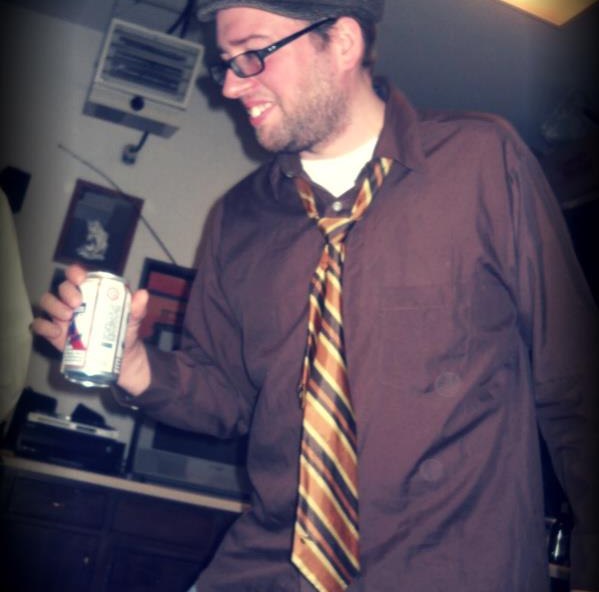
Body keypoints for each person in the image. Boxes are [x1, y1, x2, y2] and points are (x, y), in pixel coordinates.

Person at [32, 1, 598, 591]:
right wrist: (135, 366)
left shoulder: (482, 161)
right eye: (226, 63)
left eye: (253, 54)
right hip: (267, 570)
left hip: (450, 572)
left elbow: (576, 385)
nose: (230, 85)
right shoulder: (235, 220)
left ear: (343, 42)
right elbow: (227, 397)